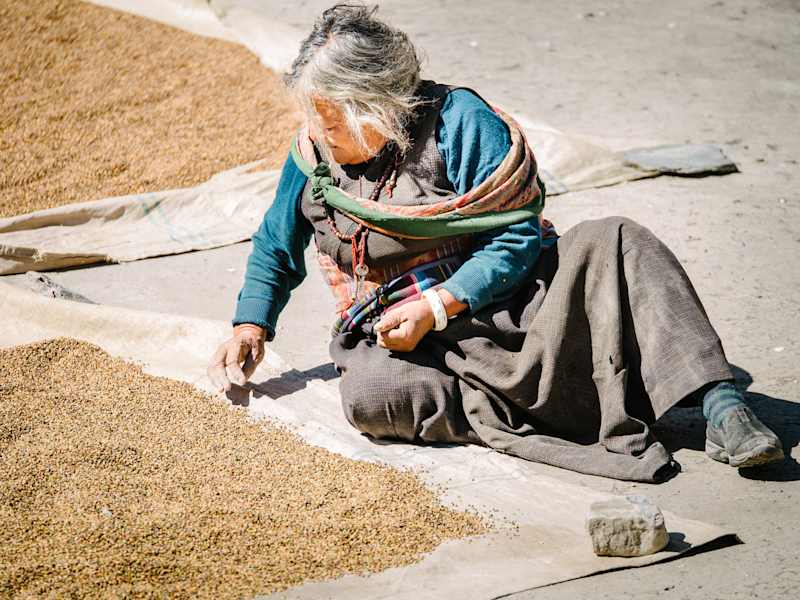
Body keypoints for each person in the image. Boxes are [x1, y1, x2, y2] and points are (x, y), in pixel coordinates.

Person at [207, 4, 783, 481]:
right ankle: (578, 398)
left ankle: (722, 405)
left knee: (620, 242)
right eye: (317, 121)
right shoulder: (313, 156)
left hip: (516, 305)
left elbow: (515, 237)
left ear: (380, 107)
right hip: (418, 342)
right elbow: (275, 245)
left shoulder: (458, 121)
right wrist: (250, 323)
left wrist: (438, 305)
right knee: (372, 396)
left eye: (334, 124)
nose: (321, 136)